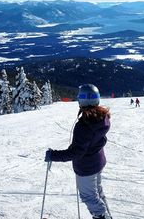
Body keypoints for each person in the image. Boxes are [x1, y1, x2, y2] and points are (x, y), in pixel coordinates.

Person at [45, 84, 112, 219]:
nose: (78, 99)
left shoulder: (85, 125)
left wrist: (54, 155)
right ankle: (106, 216)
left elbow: (77, 152)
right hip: (97, 162)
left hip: (87, 167)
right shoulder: (102, 118)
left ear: (83, 100)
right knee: (97, 193)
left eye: (80, 96)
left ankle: (101, 216)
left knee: (89, 196)